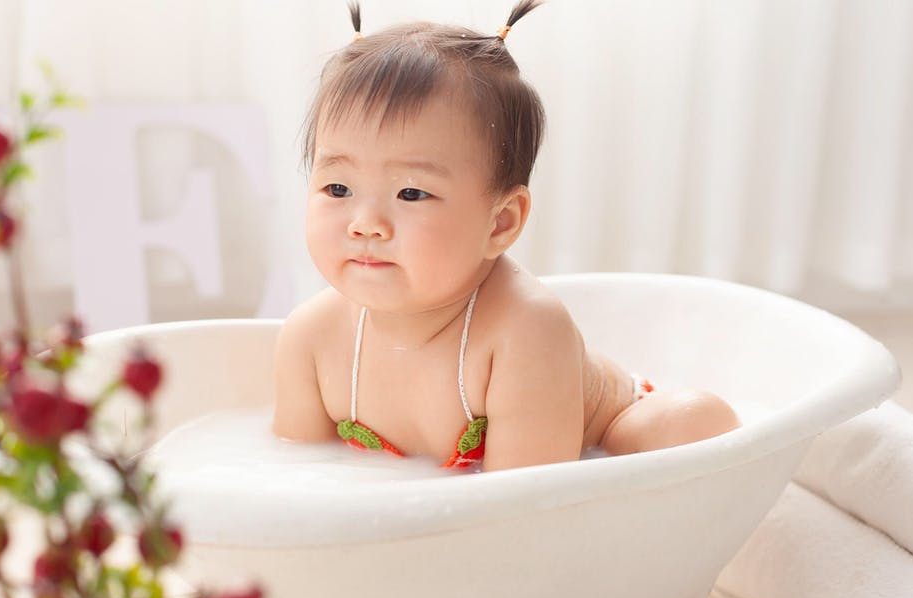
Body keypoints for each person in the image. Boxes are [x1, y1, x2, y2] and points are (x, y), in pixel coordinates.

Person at [272, 0, 740, 472]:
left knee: (693, 421)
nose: (365, 222)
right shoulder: (310, 338)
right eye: (337, 188)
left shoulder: (525, 330)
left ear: (500, 223)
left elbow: (521, 506)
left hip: (597, 443)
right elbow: (300, 476)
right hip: (447, 497)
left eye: (411, 193)